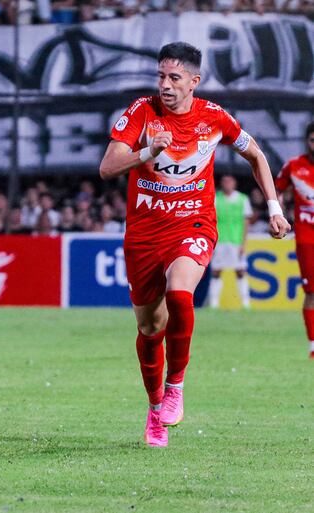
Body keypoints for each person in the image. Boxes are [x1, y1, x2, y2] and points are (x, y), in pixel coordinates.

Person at [99, 42, 290, 447]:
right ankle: (154, 410)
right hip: (144, 235)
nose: (165, 85)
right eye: (160, 76)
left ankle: (176, 387)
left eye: (174, 78)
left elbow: (256, 156)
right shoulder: (141, 112)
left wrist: (274, 207)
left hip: (194, 224)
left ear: (193, 82)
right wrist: (150, 150)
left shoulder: (214, 118)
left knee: (181, 293)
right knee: (150, 327)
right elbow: (108, 167)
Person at [275, 121, 314, 358]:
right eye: (312, 139)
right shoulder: (294, 166)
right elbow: (276, 190)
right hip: (307, 238)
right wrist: (278, 212)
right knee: (311, 293)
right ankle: (313, 345)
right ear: (307, 141)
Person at [209, 174, 253, 309]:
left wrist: (243, 243)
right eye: (225, 181)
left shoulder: (242, 199)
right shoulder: (215, 198)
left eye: (230, 181)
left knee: (240, 271)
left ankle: (246, 304)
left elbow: (246, 222)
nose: (227, 183)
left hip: (235, 241)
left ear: (234, 183)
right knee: (216, 271)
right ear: (222, 183)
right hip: (220, 240)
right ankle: (214, 304)